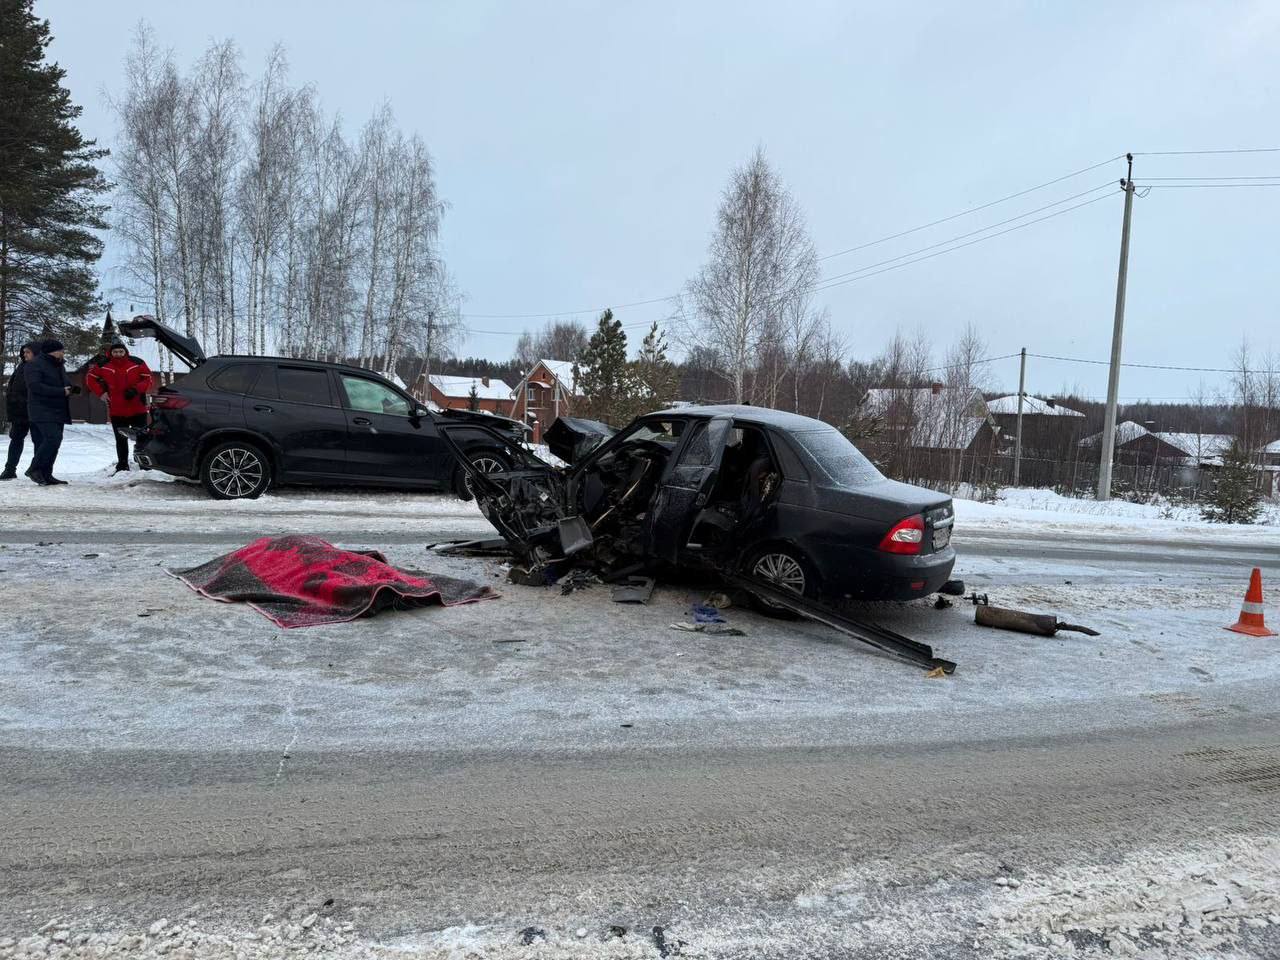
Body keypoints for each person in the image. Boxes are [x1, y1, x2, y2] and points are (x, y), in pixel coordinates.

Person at [85, 340, 153, 473]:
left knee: (142, 438)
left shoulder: (137, 362)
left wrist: (136, 389)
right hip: (117, 410)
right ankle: (122, 466)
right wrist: (101, 393)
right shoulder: (103, 365)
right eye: (115, 352)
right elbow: (90, 378)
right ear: (110, 353)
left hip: (137, 408)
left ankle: (145, 467)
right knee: (120, 439)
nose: (118, 354)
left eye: (121, 351)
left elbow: (148, 378)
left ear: (125, 352)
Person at [24, 339, 75, 486]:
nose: (63, 353)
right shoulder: (33, 365)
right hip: (41, 409)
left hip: (59, 409)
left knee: (55, 441)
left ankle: (46, 474)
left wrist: (70, 388)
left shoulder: (59, 365)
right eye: (61, 350)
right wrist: (60, 391)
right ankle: (34, 469)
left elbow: (65, 382)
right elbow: (35, 387)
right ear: (52, 351)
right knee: (53, 438)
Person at [1, 342, 37, 480]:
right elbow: (13, 387)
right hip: (19, 412)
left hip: (35, 410)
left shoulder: (40, 367)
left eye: (28, 352)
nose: (25, 354)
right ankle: (9, 469)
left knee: (38, 441)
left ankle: (35, 468)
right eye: (24, 352)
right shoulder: (21, 366)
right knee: (16, 439)